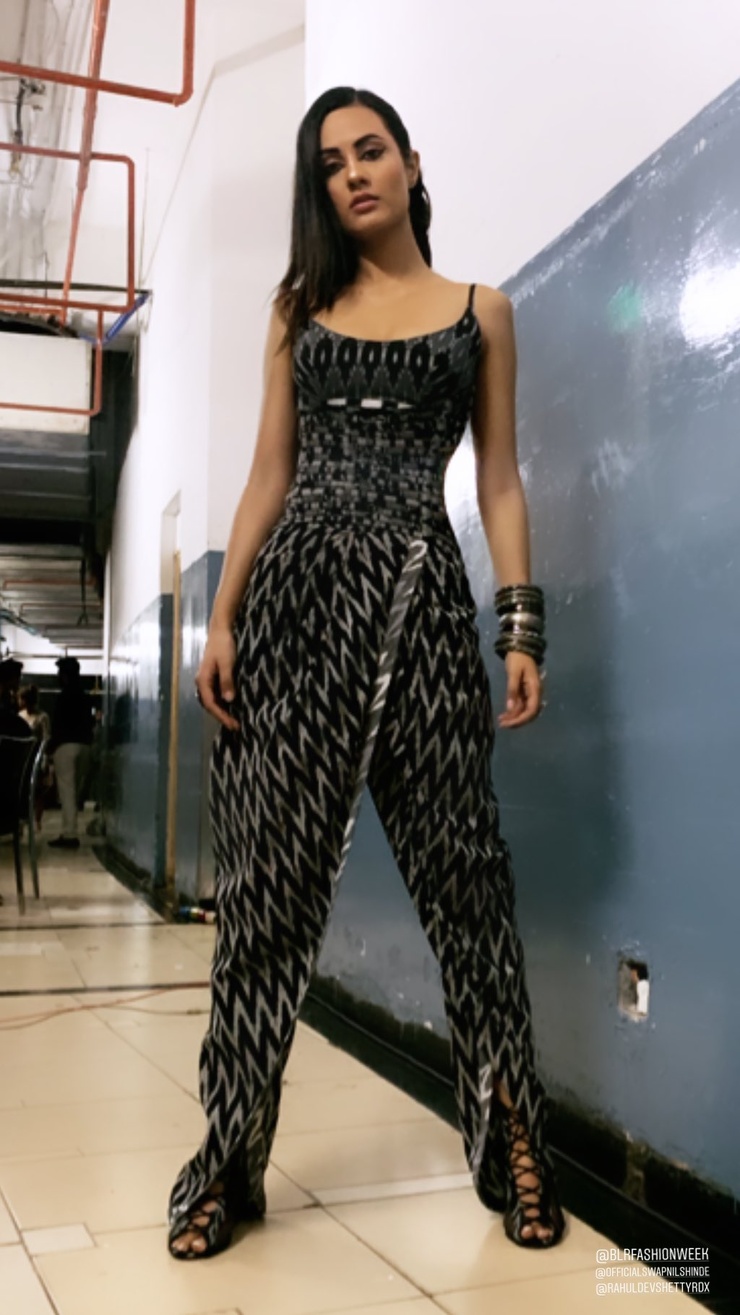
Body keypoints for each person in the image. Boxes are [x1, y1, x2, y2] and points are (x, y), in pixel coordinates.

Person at [167, 86, 565, 1260]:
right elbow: (267, 475)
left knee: (467, 884)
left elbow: (497, 478)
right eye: (330, 161)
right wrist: (222, 615)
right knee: (264, 897)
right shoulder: (297, 313)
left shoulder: (480, 312)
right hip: (293, 618)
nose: (352, 172)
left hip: (424, 611)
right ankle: (228, 1161)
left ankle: (515, 1144)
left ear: (408, 163)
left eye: (370, 150)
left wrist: (519, 626)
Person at [47, 657, 93, 849]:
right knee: (76, 791)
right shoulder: (85, 696)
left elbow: (57, 726)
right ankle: (71, 829)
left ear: (65, 676)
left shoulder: (62, 697)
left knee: (67, 791)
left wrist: (50, 748)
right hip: (85, 746)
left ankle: (69, 834)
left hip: (65, 747)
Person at [18, 685, 53, 829]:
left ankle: (37, 820)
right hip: (22, 756)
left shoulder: (42, 717)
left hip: (36, 755)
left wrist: (44, 759)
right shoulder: (20, 715)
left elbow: (46, 737)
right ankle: (24, 816)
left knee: (38, 790)